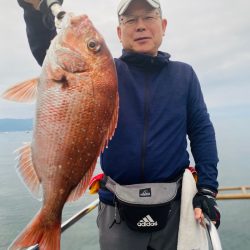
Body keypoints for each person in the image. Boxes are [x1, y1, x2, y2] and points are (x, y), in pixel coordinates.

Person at [17, 0, 220, 249]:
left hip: (174, 211)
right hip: (116, 211)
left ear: (163, 25)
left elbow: (201, 132)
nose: (141, 26)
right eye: (130, 20)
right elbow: (46, 52)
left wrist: (207, 188)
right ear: (119, 32)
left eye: (149, 17)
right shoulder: (105, 73)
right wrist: (34, 10)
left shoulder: (184, 75)